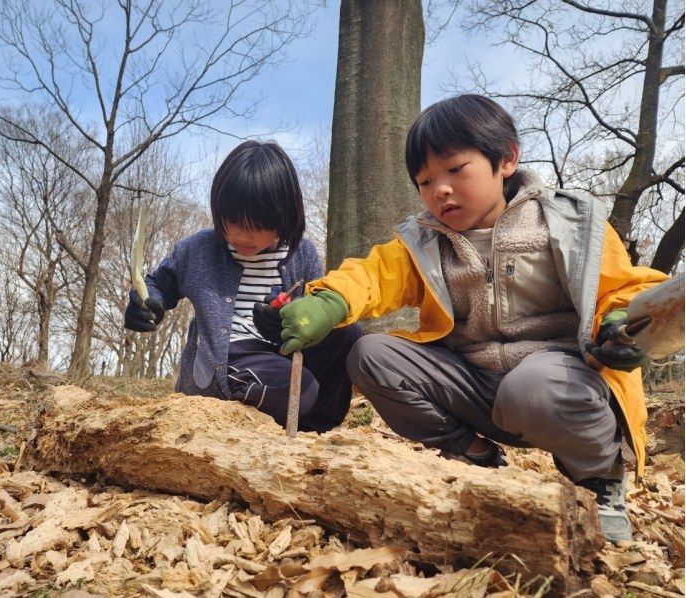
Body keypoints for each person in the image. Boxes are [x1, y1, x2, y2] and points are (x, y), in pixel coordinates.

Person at [274, 95, 668, 542]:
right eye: (425, 181)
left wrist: (622, 322)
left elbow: (625, 285)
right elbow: (373, 275)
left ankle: (598, 479)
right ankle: (473, 453)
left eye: (455, 170)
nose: (439, 189)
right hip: (474, 384)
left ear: (506, 159)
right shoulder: (424, 242)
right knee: (370, 353)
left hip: (558, 385)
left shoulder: (568, 222)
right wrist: (329, 301)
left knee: (534, 386)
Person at [124, 140, 362, 433]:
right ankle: (234, 411)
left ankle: (312, 430)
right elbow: (158, 285)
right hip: (226, 356)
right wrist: (144, 303)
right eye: (233, 222)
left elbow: (315, 312)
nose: (241, 236)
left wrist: (290, 319)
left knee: (347, 333)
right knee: (300, 390)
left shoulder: (302, 255)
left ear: (284, 218)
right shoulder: (199, 250)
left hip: (279, 356)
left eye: (258, 226)